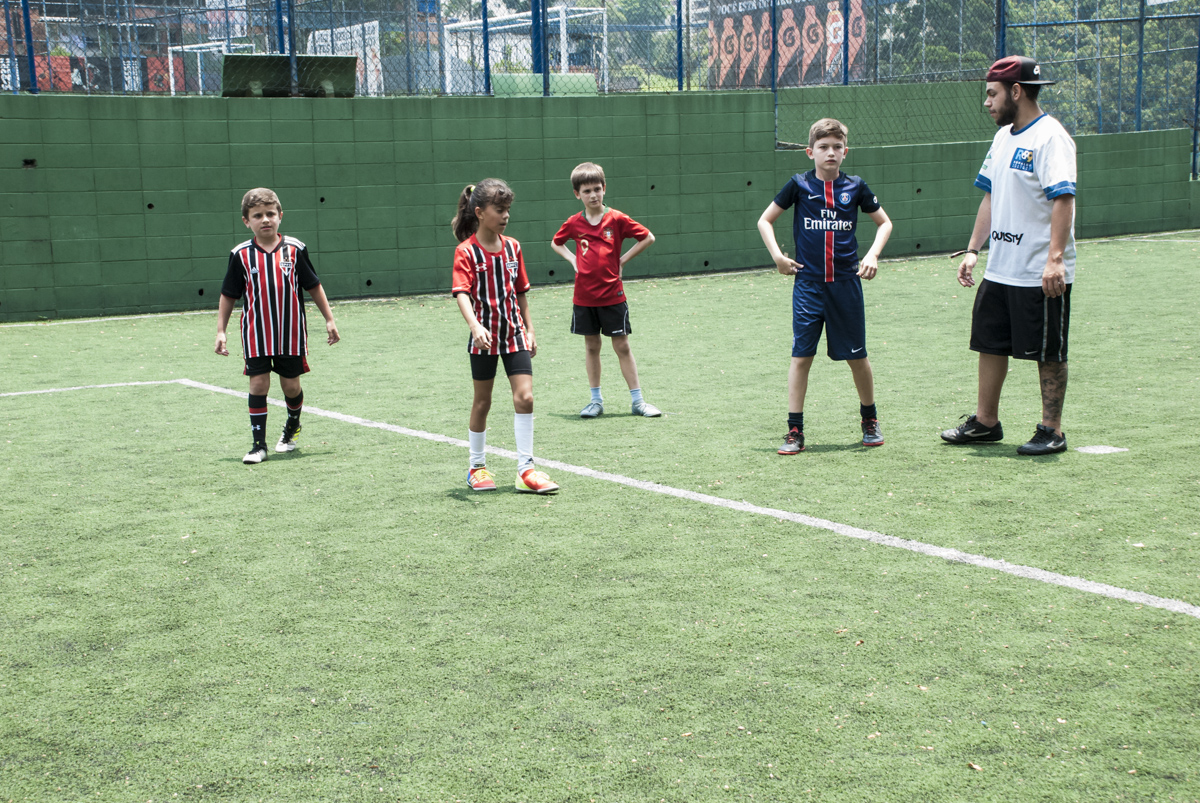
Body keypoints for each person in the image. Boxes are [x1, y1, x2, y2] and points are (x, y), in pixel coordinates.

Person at [941, 55, 1076, 456]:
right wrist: (972, 250)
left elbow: (1063, 199)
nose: (987, 102)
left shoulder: (1051, 137)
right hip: (1001, 268)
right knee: (990, 342)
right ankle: (986, 422)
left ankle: (1051, 430)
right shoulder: (1003, 138)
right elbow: (990, 196)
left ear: (1015, 91)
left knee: (1048, 351)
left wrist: (1055, 259)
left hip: (1039, 271)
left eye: (991, 93)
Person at [756, 118, 893, 454]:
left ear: (845, 151)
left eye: (836, 146)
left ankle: (869, 420)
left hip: (846, 285)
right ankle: (794, 430)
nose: (830, 152)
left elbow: (885, 223)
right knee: (801, 357)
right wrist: (778, 257)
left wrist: (873, 255)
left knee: (857, 356)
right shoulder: (799, 185)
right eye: (823, 147)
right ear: (810, 152)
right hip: (808, 286)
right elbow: (765, 219)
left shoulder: (856, 186)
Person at [215, 188, 340, 465]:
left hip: (290, 333)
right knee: (258, 384)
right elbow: (228, 294)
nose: (265, 220)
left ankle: (292, 425)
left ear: (280, 216)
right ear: (247, 221)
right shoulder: (240, 255)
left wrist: (329, 320)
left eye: (270, 214)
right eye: (257, 215)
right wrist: (221, 331)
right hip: (256, 334)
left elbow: (313, 286)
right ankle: (258, 445)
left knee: (291, 386)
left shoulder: (295, 249)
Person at [451, 179, 559, 494]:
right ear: (480, 212)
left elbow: (521, 292)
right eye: (500, 210)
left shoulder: (513, 247)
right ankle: (476, 467)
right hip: (483, 340)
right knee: (482, 402)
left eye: (508, 209)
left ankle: (526, 471)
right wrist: (474, 326)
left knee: (525, 397)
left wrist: (530, 329)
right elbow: (461, 293)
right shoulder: (466, 251)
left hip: (513, 336)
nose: (506, 215)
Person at [551, 162, 660, 419]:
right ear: (577, 194)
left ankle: (638, 401)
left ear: (604, 189)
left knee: (622, 346)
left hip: (613, 296)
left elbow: (648, 237)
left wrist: (622, 261)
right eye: (587, 191)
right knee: (592, 346)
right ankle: (596, 401)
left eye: (597, 189)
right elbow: (556, 243)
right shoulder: (574, 223)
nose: (593, 195)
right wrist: (573, 260)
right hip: (584, 298)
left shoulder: (617, 219)